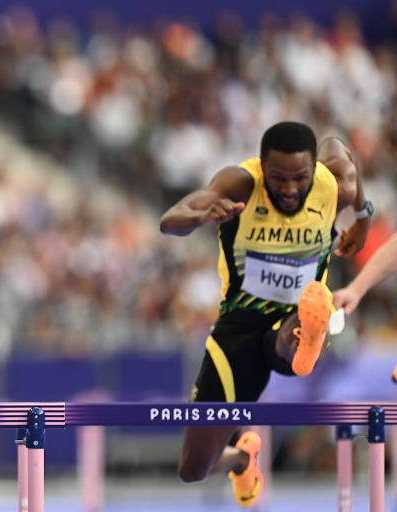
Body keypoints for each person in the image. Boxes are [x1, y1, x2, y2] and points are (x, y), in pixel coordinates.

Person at [159, 121, 371, 507]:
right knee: (193, 469)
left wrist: (363, 216)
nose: (289, 189)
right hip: (237, 326)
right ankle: (242, 458)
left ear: (315, 170)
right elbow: (170, 219)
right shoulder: (240, 183)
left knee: (294, 331)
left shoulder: (332, 181)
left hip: (295, 315)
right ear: (261, 167)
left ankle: (306, 333)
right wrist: (199, 218)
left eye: (300, 178)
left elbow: (344, 154)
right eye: (278, 178)